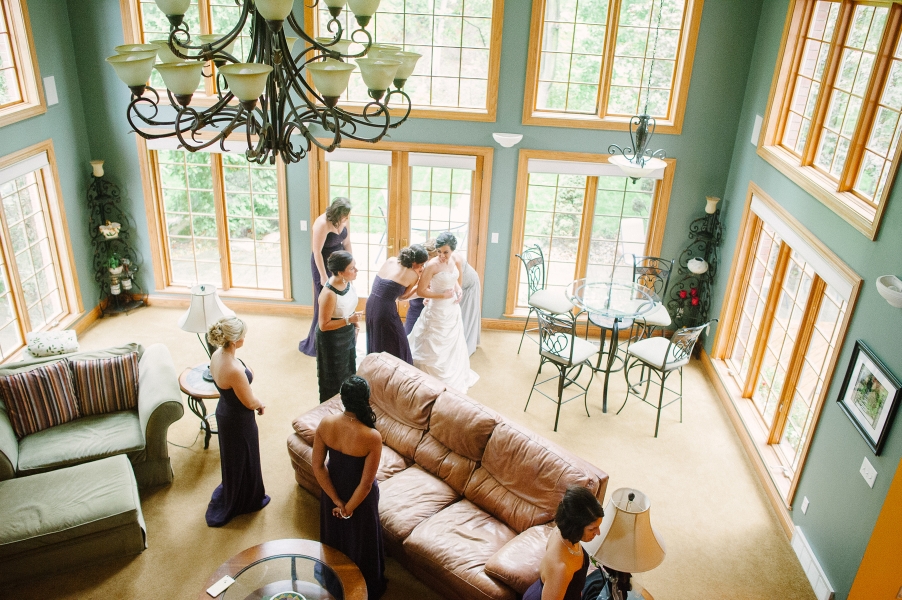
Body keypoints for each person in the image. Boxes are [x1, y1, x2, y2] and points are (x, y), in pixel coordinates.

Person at [312, 376, 387, 599]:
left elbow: (317, 466)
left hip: (332, 490)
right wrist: (349, 508)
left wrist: (336, 501)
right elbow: (365, 485)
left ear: (342, 399)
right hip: (359, 501)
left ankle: (336, 576)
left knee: (335, 537)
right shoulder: (372, 437)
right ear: (366, 400)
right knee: (361, 540)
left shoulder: (326, 423)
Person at [204, 316, 270, 527]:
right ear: (234, 341)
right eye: (243, 336)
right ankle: (246, 499)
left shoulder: (217, 355)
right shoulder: (233, 370)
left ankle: (236, 488)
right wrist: (260, 403)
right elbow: (249, 401)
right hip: (238, 420)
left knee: (234, 456)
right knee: (245, 454)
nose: (245, 338)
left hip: (224, 411)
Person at [407, 232, 479, 393]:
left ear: (453, 250)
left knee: (453, 343)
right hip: (437, 310)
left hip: (452, 309)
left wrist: (458, 290)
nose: (441, 255)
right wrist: (441, 295)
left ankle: (453, 373)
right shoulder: (432, 265)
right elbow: (421, 290)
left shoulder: (455, 259)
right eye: (439, 251)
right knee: (433, 345)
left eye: (445, 252)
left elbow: (455, 281)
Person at [522, 486, 604, 600]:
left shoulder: (562, 532)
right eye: (592, 529)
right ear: (575, 527)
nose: (598, 532)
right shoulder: (560, 569)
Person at [300, 197, 353, 356]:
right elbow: (316, 252)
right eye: (345, 215)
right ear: (337, 213)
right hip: (322, 264)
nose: (347, 219)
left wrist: (350, 264)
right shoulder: (322, 223)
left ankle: (336, 337)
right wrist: (323, 276)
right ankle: (318, 343)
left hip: (339, 263)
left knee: (340, 299)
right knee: (324, 301)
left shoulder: (344, 221)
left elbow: (347, 243)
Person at [366, 244, 428, 363]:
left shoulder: (391, 260)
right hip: (385, 310)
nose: (422, 267)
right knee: (398, 339)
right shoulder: (412, 275)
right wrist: (418, 284)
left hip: (370, 304)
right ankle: (397, 368)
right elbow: (402, 297)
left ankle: (377, 366)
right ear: (414, 262)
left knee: (377, 337)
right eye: (421, 264)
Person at [316, 251, 361, 403]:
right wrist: (349, 320)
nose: (356, 271)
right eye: (352, 268)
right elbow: (323, 325)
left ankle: (348, 404)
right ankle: (331, 409)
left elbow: (348, 305)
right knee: (334, 376)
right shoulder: (329, 293)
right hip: (332, 339)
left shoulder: (347, 282)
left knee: (348, 369)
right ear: (341, 272)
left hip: (347, 331)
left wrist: (354, 324)